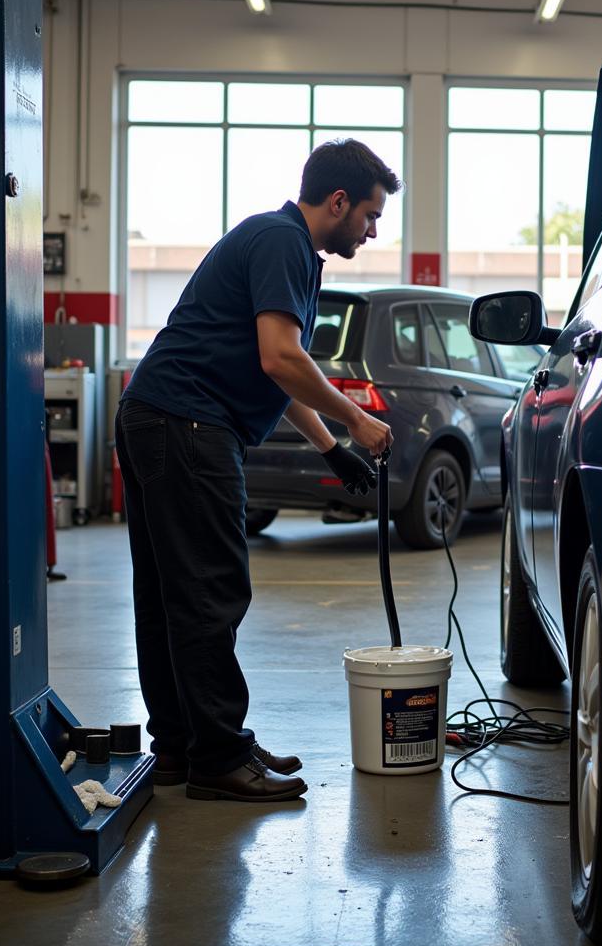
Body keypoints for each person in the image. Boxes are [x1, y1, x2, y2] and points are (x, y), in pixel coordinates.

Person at [115, 139, 398, 803]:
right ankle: (218, 754)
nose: (374, 229)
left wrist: (330, 446)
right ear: (337, 202)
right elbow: (282, 358)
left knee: (168, 596)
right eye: (370, 214)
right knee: (211, 590)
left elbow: (273, 370)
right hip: (188, 423)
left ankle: (186, 748)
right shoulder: (283, 244)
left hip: (157, 416)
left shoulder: (276, 240)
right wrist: (357, 422)